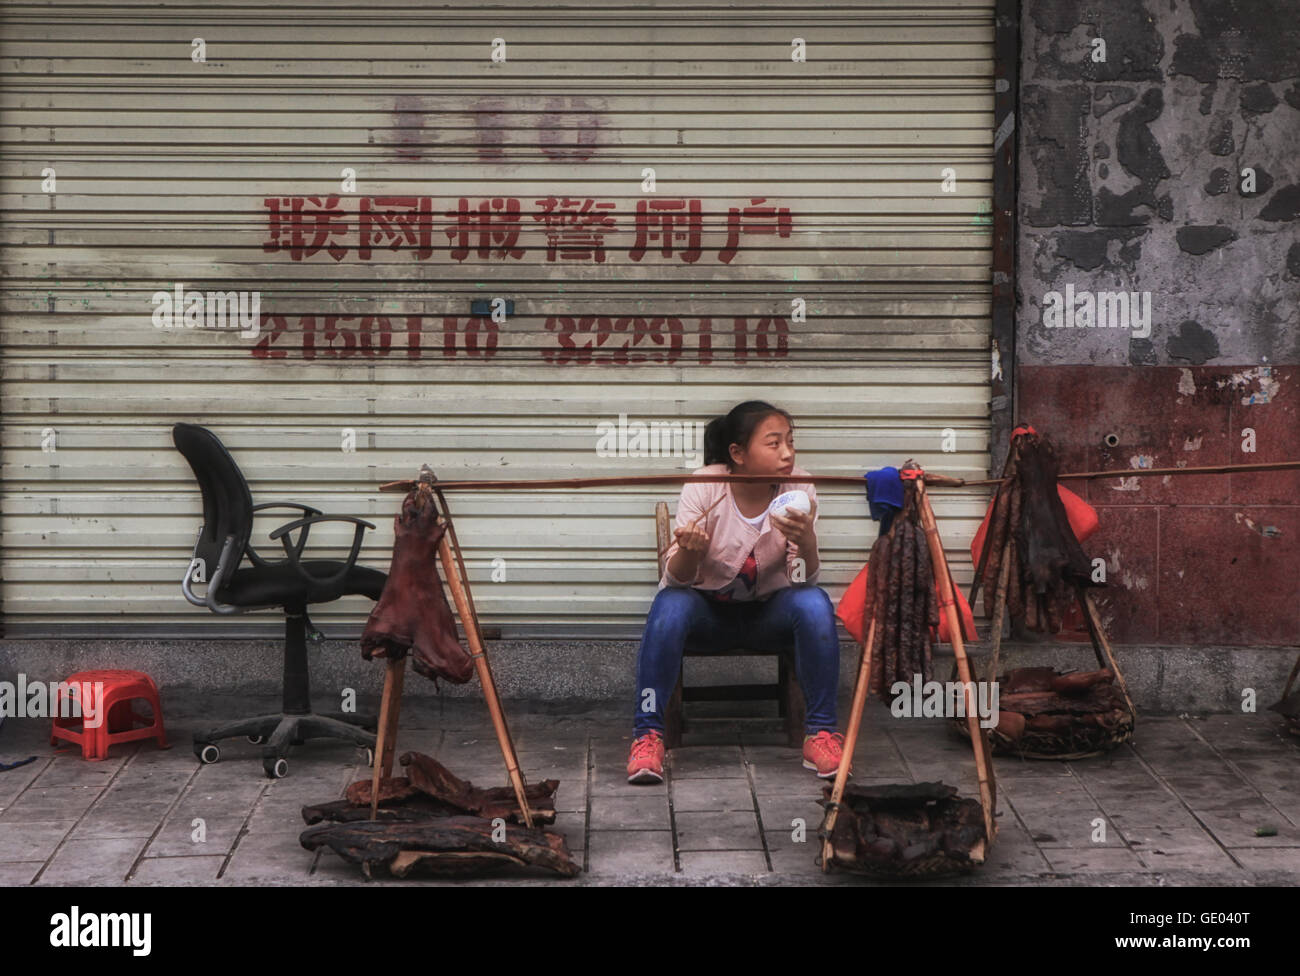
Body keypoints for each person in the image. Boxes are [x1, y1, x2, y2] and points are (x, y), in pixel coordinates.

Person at [626, 400, 846, 784]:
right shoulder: (705, 485)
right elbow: (676, 581)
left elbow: (800, 580)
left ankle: (822, 734)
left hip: (767, 617)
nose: (787, 453)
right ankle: (647, 736)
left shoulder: (800, 488)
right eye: (774, 443)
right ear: (738, 454)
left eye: (790, 442)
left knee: (814, 602)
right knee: (669, 605)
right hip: (707, 616)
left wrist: (807, 543)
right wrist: (690, 553)